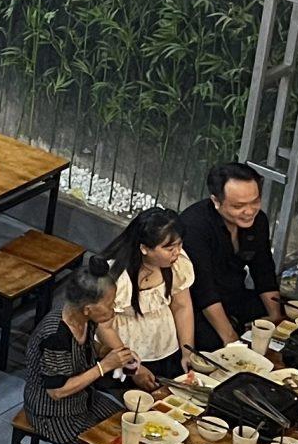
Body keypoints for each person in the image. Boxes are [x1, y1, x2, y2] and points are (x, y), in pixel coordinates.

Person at [22, 259, 146, 444]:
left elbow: (85, 349)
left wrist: (110, 353)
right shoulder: (56, 336)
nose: (113, 309)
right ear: (88, 308)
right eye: (109, 304)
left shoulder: (86, 320)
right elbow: (57, 391)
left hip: (84, 399)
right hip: (54, 415)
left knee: (129, 426)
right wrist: (104, 366)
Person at [178, 162, 285, 350]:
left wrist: (274, 317)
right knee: (214, 344)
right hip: (198, 304)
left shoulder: (258, 220)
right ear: (216, 201)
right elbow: (204, 290)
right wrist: (230, 338)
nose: (249, 211)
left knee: (283, 318)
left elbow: (264, 270)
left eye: (255, 202)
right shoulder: (194, 226)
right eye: (238, 206)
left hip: (235, 294)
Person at [106, 207, 196, 380]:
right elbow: (104, 327)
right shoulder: (118, 277)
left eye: (179, 244)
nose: (177, 252)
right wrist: (133, 367)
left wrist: (187, 352)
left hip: (164, 344)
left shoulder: (176, 264)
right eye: (170, 248)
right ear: (144, 248)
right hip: (124, 348)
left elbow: (182, 306)